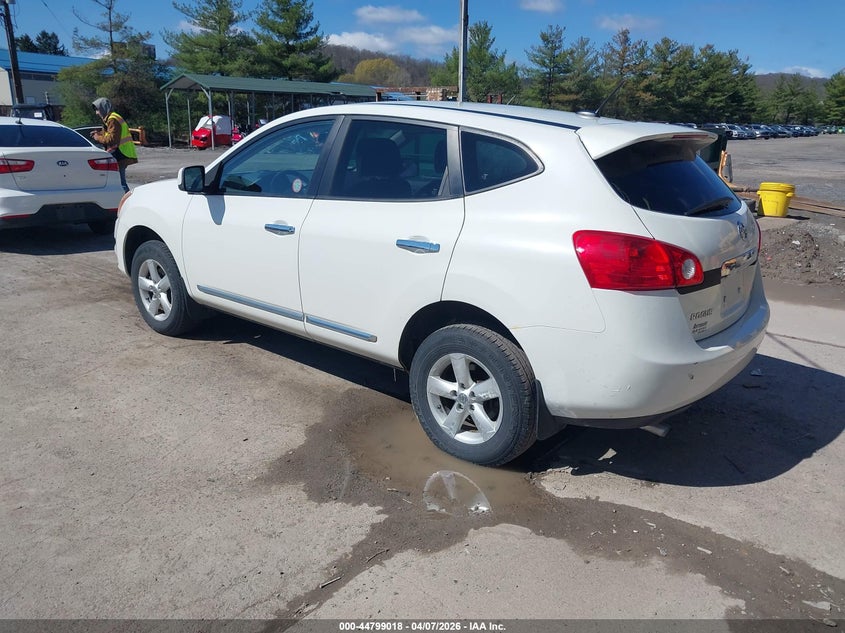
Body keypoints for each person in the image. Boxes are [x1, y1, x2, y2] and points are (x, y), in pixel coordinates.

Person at [90, 98, 138, 193]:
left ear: (103, 108)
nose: (96, 113)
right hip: (121, 153)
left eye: (97, 110)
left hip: (121, 153)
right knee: (120, 183)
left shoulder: (112, 119)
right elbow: (110, 135)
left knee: (121, 184)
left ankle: (128, 200)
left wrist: (97, 137)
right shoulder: (111, 119)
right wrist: (99, 134)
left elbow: (112, 139)